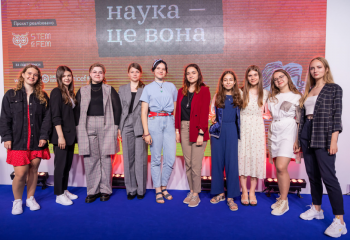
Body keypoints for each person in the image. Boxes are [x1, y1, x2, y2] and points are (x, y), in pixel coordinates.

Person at [297, 57, 346, 238]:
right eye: (312, 68)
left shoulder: (334, 89)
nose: (315, 70)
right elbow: (303, 117)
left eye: (318, 67)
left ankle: (339, 221)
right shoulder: (309, 90)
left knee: (328, 177)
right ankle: (317, 208)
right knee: (313, 175)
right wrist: (299, 139)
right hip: (307, 133)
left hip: (324, 135)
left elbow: (336, 116)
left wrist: (334, 140)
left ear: (325, 69)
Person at [0, 64, 51, 215]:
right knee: (20, 174)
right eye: (29, 73)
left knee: (34, 171)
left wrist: (43, 136)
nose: (32, 76)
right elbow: (4, 118)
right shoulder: (11, 95)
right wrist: (7, 137)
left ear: (38, 78)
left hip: (37, 141)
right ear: (23, 75)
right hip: (17, 142)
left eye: (35, 75)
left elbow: (47, 119)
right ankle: (17, 202)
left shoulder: (42, 96)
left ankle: (30, 198)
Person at [75, 63, 122, 203]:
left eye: (100, 72)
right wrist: (78, 129)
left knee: (106, 158)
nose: (97, 74)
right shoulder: (82, 90)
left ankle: (105, 190)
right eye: (94, 72)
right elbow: (77, 111)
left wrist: (116, 126)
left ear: (103, 75)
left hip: (106, 124)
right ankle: (92, 191)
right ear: (89, 74)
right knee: (90, 159)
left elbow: (117, 109)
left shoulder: (109, 89)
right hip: (87, 125)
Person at [140, 59, 177, 204]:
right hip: (153, 121)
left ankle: (164, 186)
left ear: (166, 72)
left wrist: (174, 127)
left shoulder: (172, 87)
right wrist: (146, 132)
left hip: (168, 121)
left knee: (170, 158)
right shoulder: (147, 88)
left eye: (163, 69)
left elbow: (174, 109)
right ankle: (157, 189)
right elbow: (143, 112)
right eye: (158, 68)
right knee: (155, 158)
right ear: (153, 70)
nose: (161, 71)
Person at [175, 64, 210, 207]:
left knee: (195, 164)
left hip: (197, 129)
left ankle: (196, 194)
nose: (191, 75)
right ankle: (191, 190)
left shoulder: (204, 90)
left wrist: (201, 133)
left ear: (198, 74)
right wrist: (177, 130)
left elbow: (204, 113)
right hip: (183, 128)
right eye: (188, 73)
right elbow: (178, 112)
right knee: (188, 163)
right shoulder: (180, 91)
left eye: (193, 73)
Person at [266, 69, 301, 216]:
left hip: (288, 130)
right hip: (274, 130)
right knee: (278, 169)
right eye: (275, 79)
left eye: (281, 77)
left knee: (281, 167)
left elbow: (299, 120)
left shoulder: (297, 97)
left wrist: (297, 140)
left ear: (288, 77)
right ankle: (281, 197)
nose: (279, 80)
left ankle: (285, 202)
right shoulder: (272, 98)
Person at [208, 70, 242, 211]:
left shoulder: (238, 96)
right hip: (218, 133)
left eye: (230, 79)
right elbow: (211, 114)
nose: (228, 82)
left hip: (232, 130)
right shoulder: (217, 96)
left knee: (231, 163)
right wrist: (212, 119)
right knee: (217, 163)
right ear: (222, 82)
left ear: (234, 82)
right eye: (225, 80)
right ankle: (219, 192)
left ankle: (231, 196)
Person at [238, 65, 269, 206]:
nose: (252, 78)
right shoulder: (240, 92)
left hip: (257, 128)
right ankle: (244, 190)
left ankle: (252, 191)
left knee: (256, 159)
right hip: (243, 127)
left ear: (259, 77)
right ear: (247, 77)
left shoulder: (266, 93)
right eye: (250, 75)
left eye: (255, 75)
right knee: (243, 158)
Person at [118, 63, 148, 200]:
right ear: (128, 74)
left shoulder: (146, 89)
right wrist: (119, 127)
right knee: (128, 158)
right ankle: (131, 189)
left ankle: (141, 190)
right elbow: (118, 110)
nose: (135, 74)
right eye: (132, 72)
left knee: (140, 159)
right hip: (126, 125)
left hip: (141, 124)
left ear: (140, 74)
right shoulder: (122, 89)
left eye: (137, 71)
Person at [50, 66, 78, 206]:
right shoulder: (56, 92)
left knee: (67, 165)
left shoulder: (70, 93)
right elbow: (56, 116)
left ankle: (64, 189)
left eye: (69, 75)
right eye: (64, 76)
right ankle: (58, 194)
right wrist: (60, 136)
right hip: (61, 136)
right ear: (59, 78)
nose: (67, 78)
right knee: (60, 166)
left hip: (70, 136)